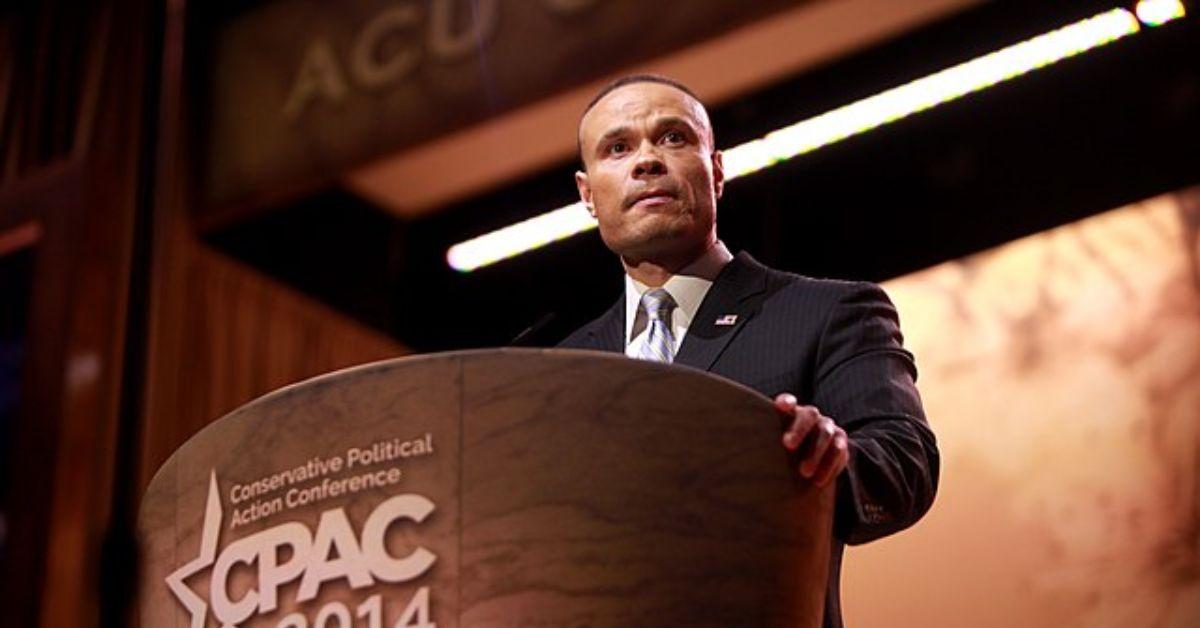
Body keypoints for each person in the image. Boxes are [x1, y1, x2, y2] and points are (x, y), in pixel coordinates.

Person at [558, 74, 939, 628]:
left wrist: (827, 463)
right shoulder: (563, 368)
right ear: (588, 194)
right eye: (617, 148)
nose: (646, 161)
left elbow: (905, 462)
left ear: (715, 170)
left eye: (672, 138)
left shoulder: (825, 311)